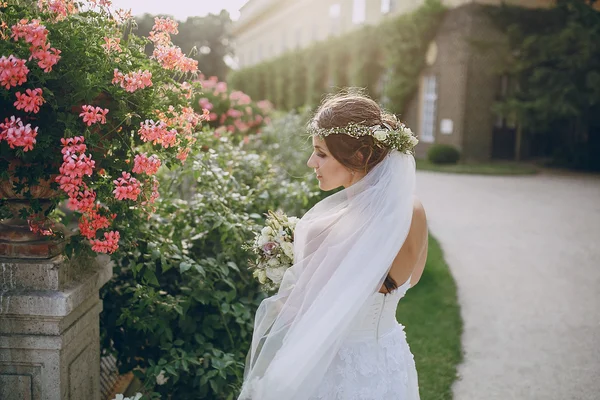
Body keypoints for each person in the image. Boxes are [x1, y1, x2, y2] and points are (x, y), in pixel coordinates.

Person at [238, 89, 428, 400]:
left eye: (321, 153)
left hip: (335, 371)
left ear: (360, 156)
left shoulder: (319, 232)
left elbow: (299, 318)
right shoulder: (413, 211)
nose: (311, 161)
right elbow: (412, 278)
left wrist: (286, 273)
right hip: (388, 361)